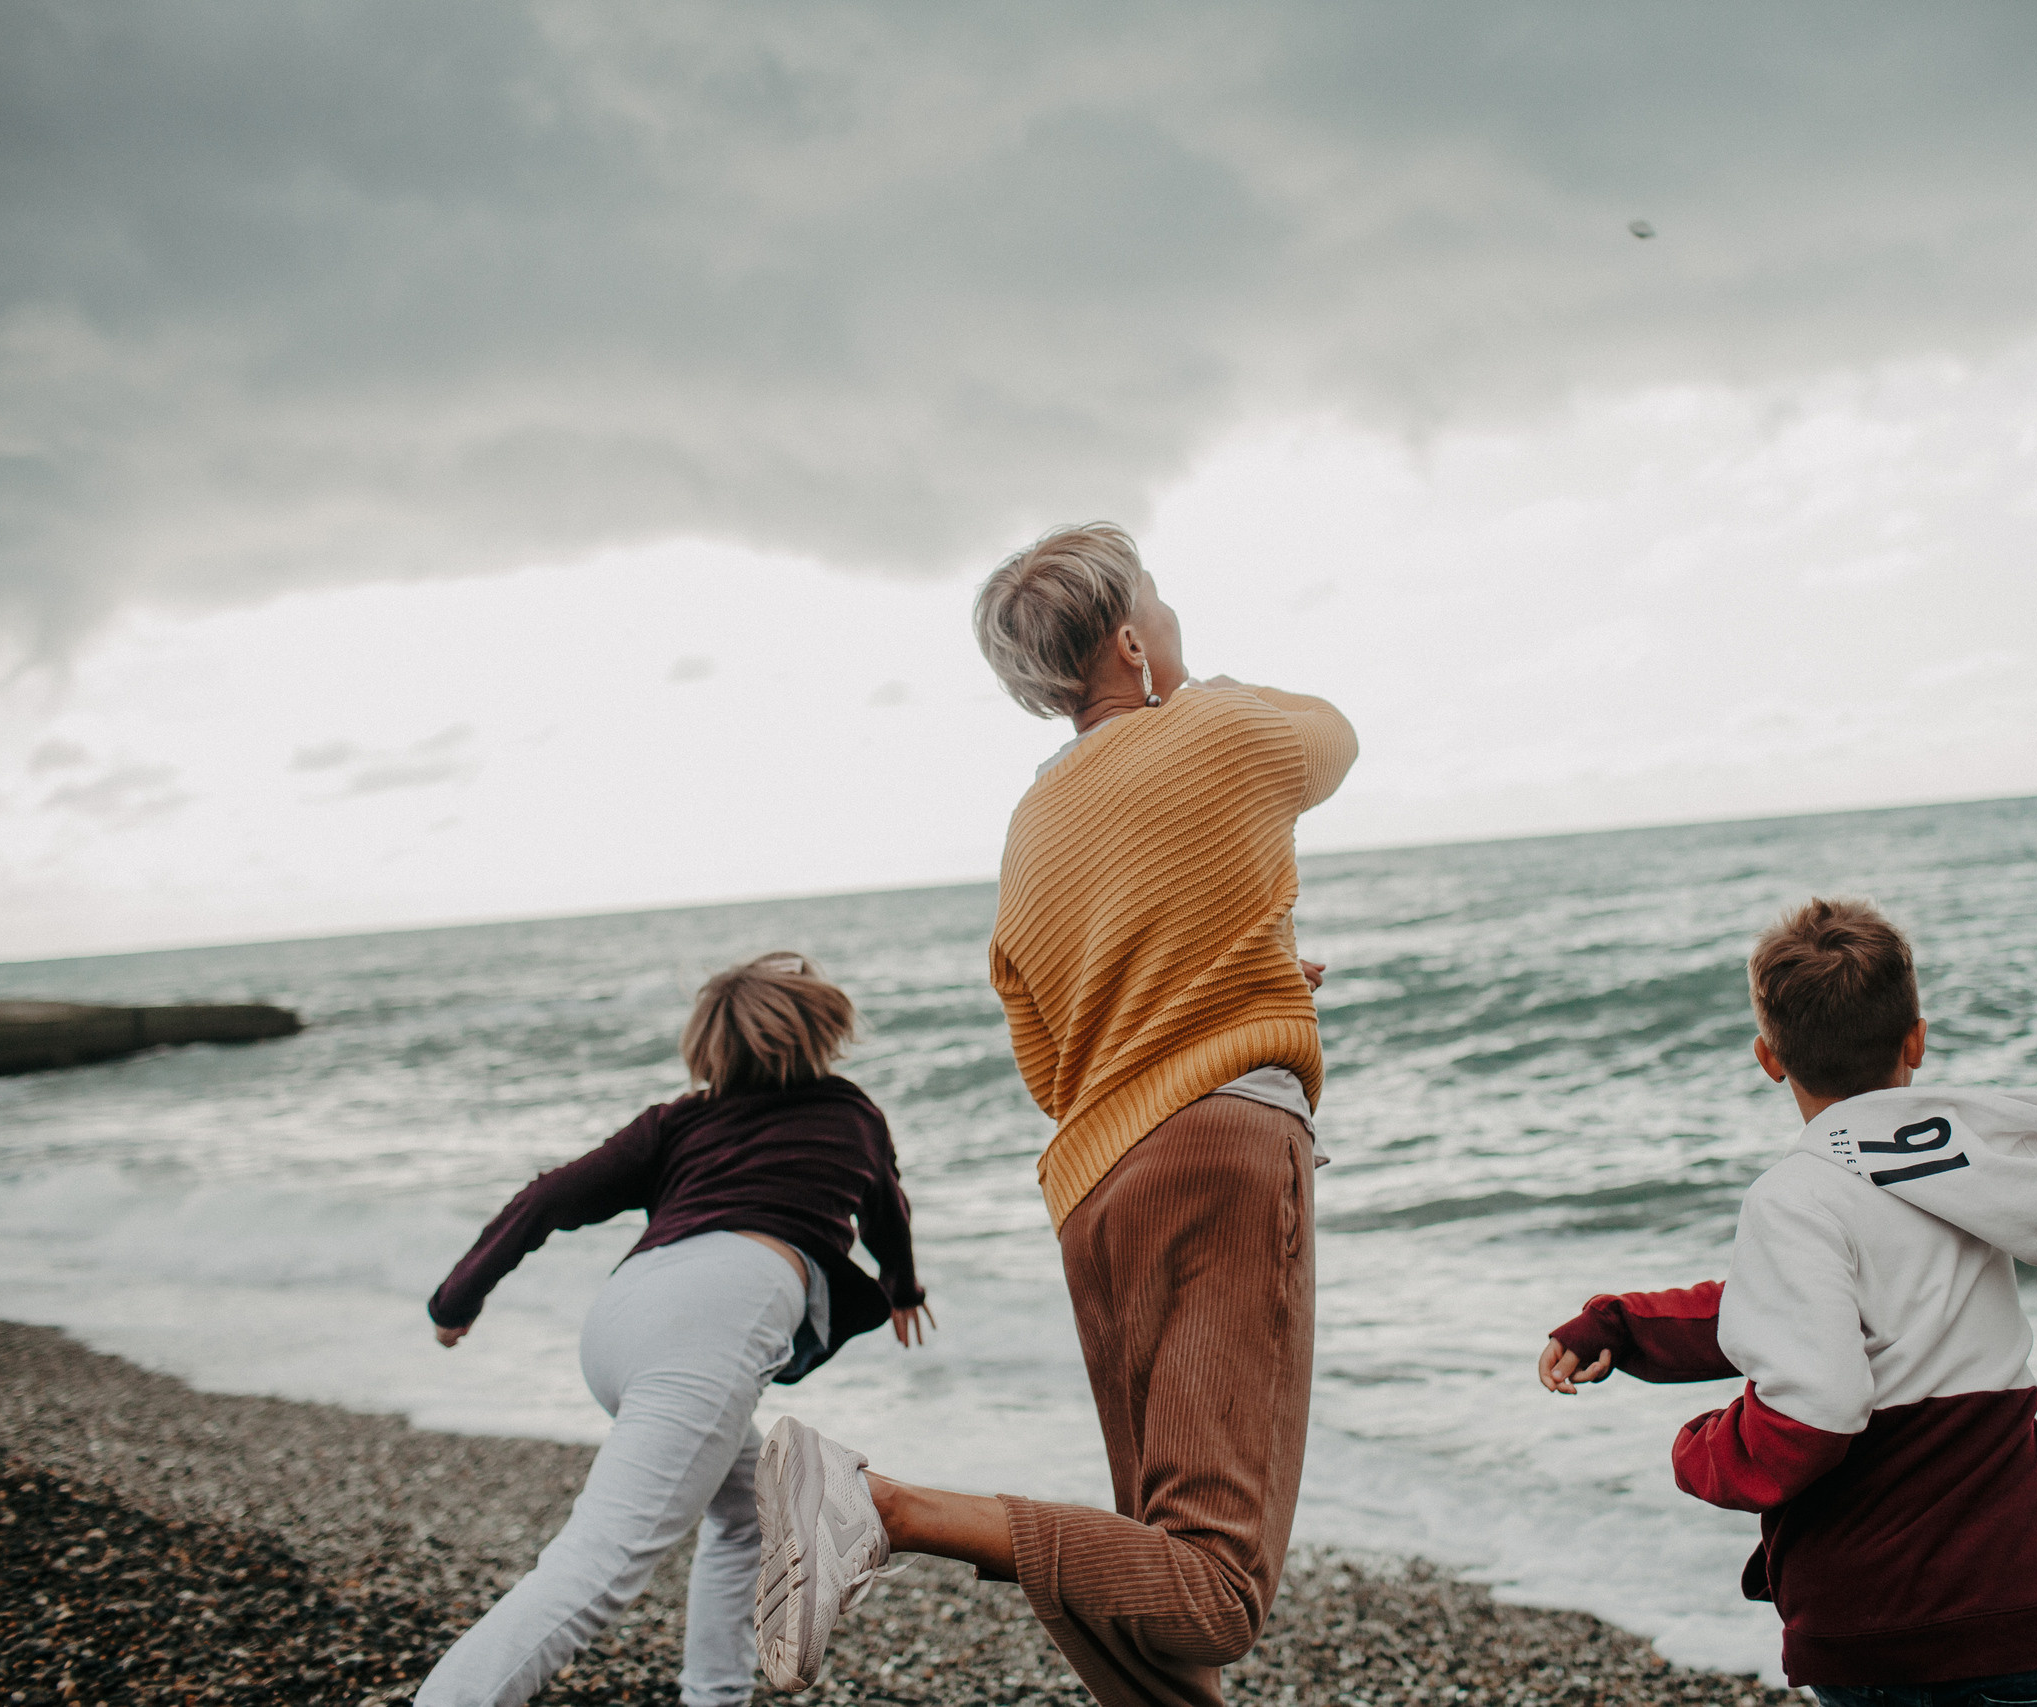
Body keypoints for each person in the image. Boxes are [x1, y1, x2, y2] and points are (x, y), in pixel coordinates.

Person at [751, 523, 1356, 1707]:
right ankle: (882, 1507)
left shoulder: (1027, 832)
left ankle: (901, 1512)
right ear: (1129, 639)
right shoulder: (1219, 727)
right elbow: (1334, 739)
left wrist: (1230, 973)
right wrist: (1200, 688)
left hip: (1096, 1187)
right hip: (1224, 1148)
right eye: (1160, 607)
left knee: (1149, 1571)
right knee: (1215, 1590)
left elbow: (1053, 1059)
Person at [1537, 899, 2037, 1707]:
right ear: (1916, 1038)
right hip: (2025, 1616)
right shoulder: (1967, 1177)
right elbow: (1805, 1309)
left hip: (1880, 1630)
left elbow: (1818, 1404)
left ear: (1769, 1057)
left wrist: (1700, 1451)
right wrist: (1625, 1328)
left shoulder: (1797, 1196)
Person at [415, 952, 928, 1707]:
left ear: (709, 1047)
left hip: (624, 1316)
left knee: (748, 1512)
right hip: (711, 1322)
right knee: (595, 1567)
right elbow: (888, 1211)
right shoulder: (852, 1114)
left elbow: (545, 1197)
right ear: (824, 1032)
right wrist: (903, 1287)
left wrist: (455, 1299)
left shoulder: (677, 1120)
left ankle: (713, 1696)